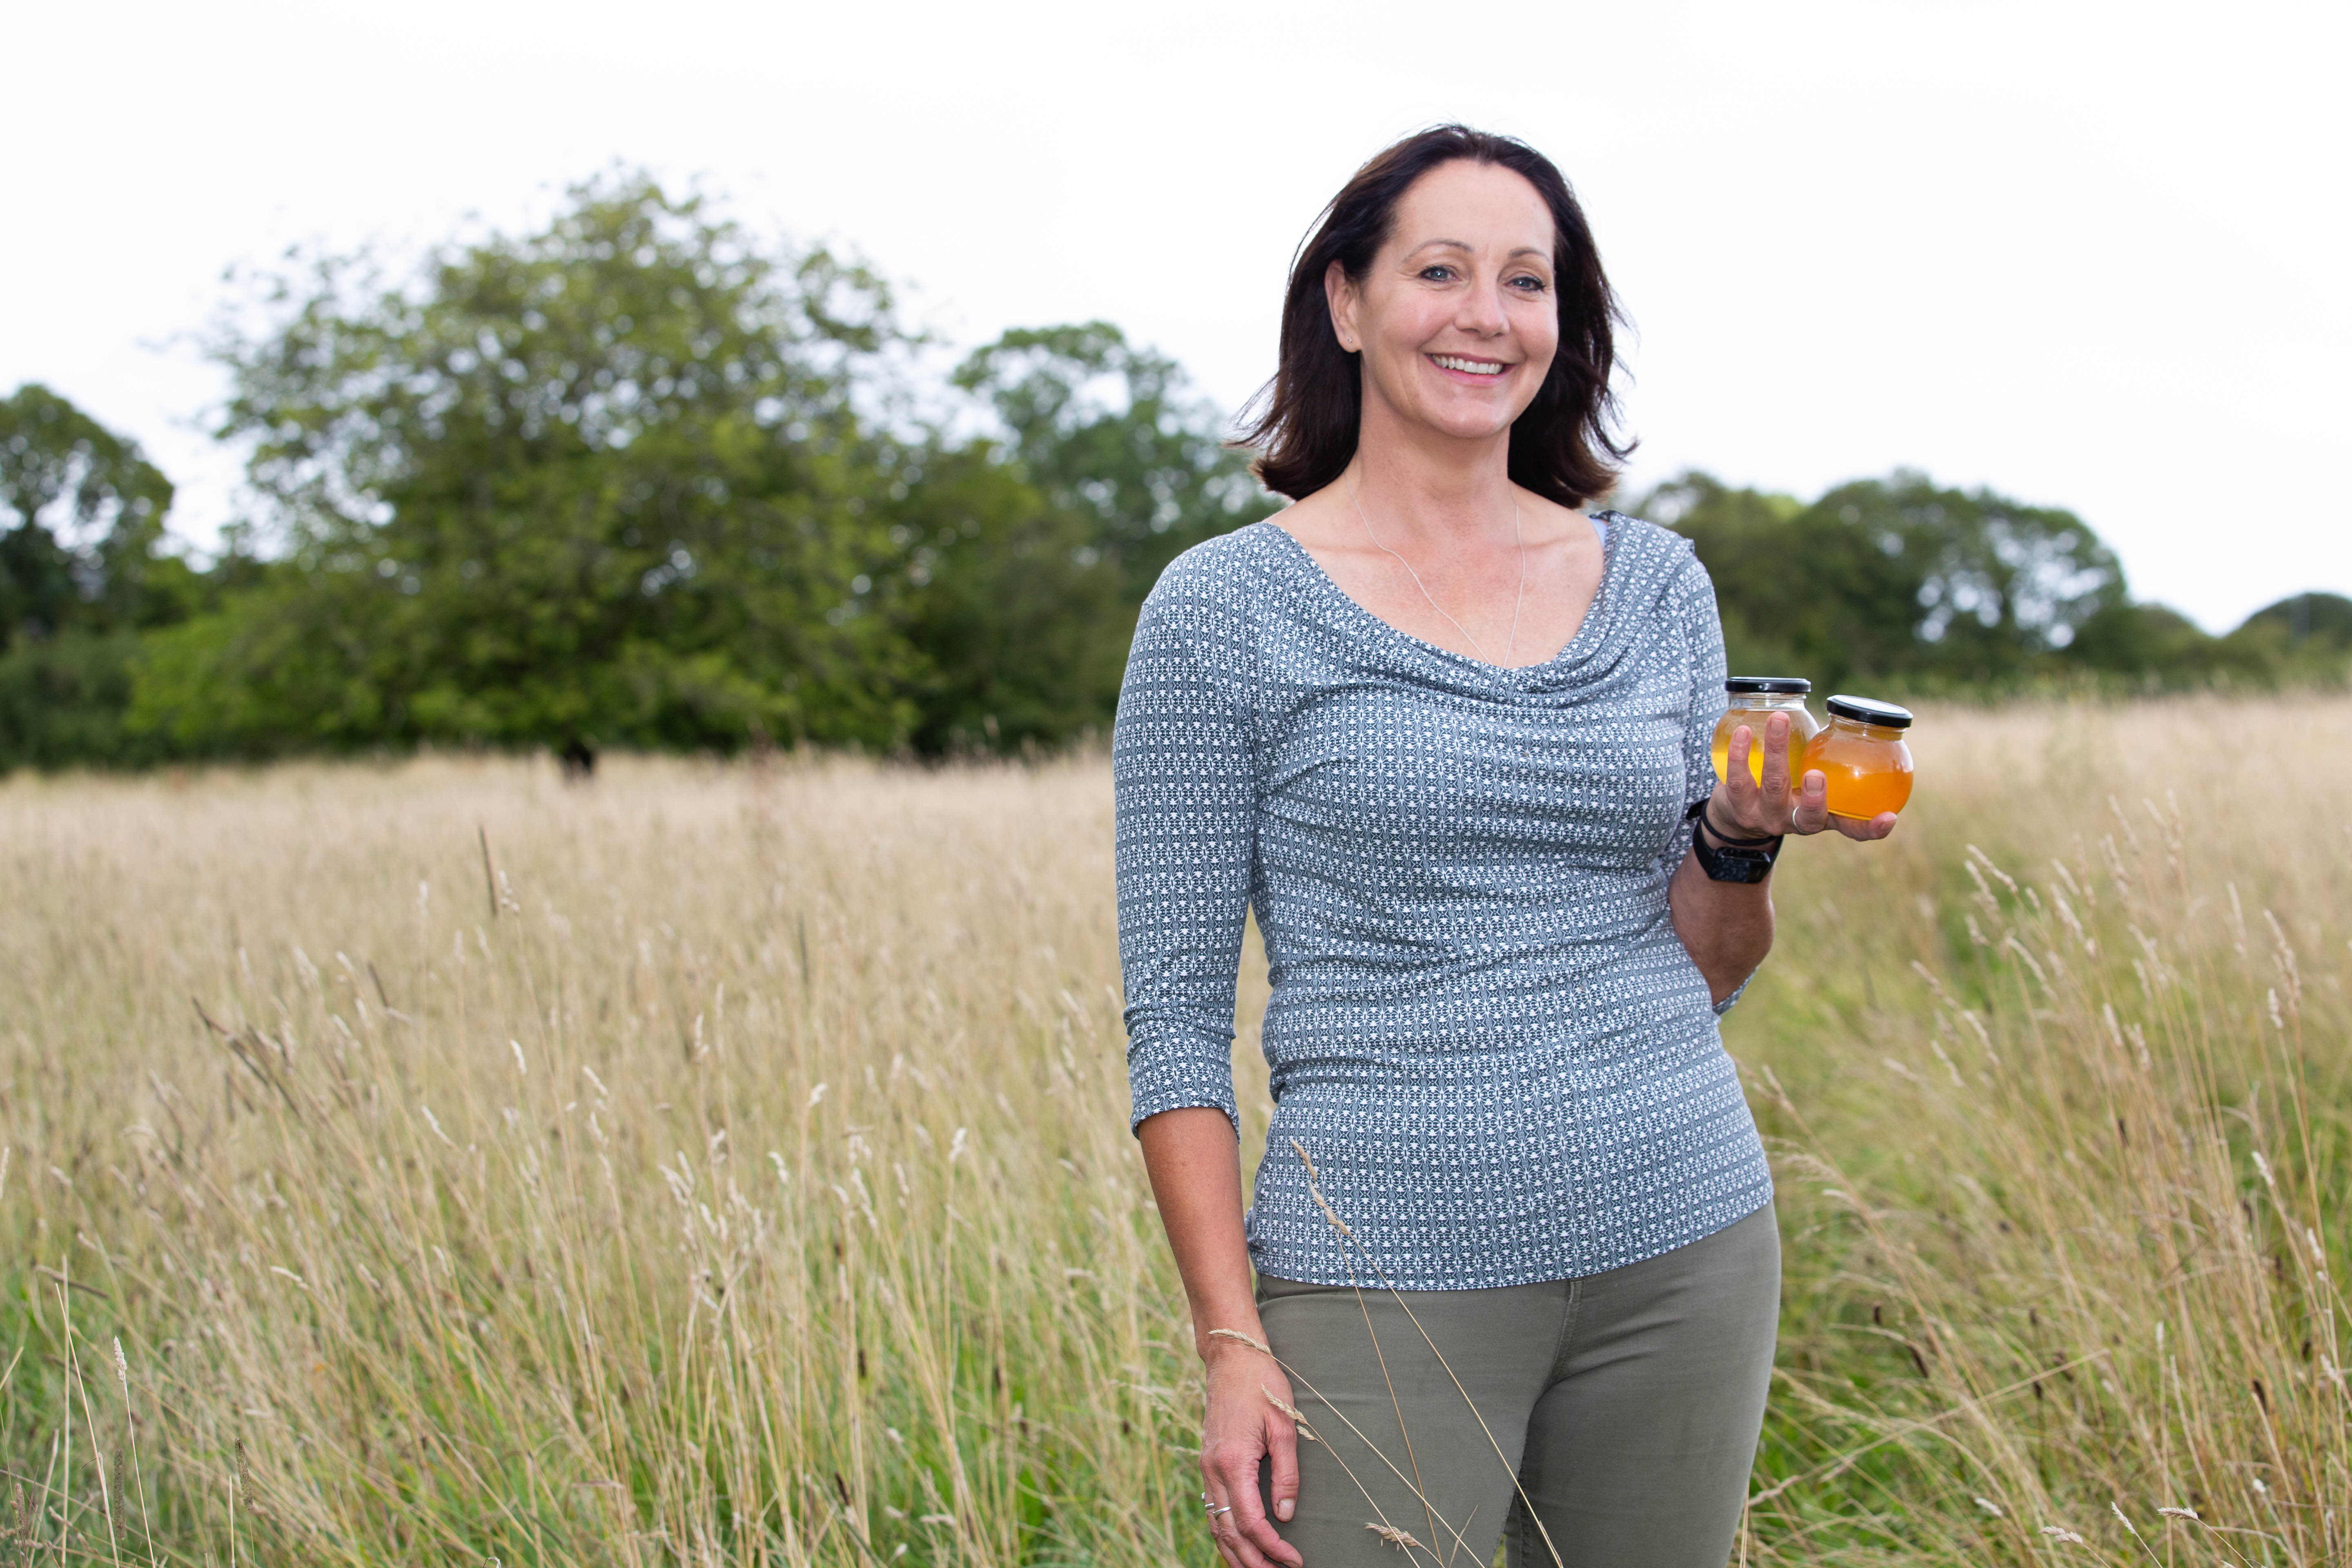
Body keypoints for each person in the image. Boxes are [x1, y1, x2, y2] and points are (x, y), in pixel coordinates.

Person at [1111, 125, 1897, 1568]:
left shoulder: (1659, 582)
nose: (1487, 313)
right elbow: (1171, 1024)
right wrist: (1232, 1341)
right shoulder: (1223, 608)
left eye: (1527, 281)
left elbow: (1709, 974)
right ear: (1347, 304)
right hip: (1382, 1275)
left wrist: (1735, 840)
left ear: (1561, 325)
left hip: (1687, 1239)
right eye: (1441, 270)